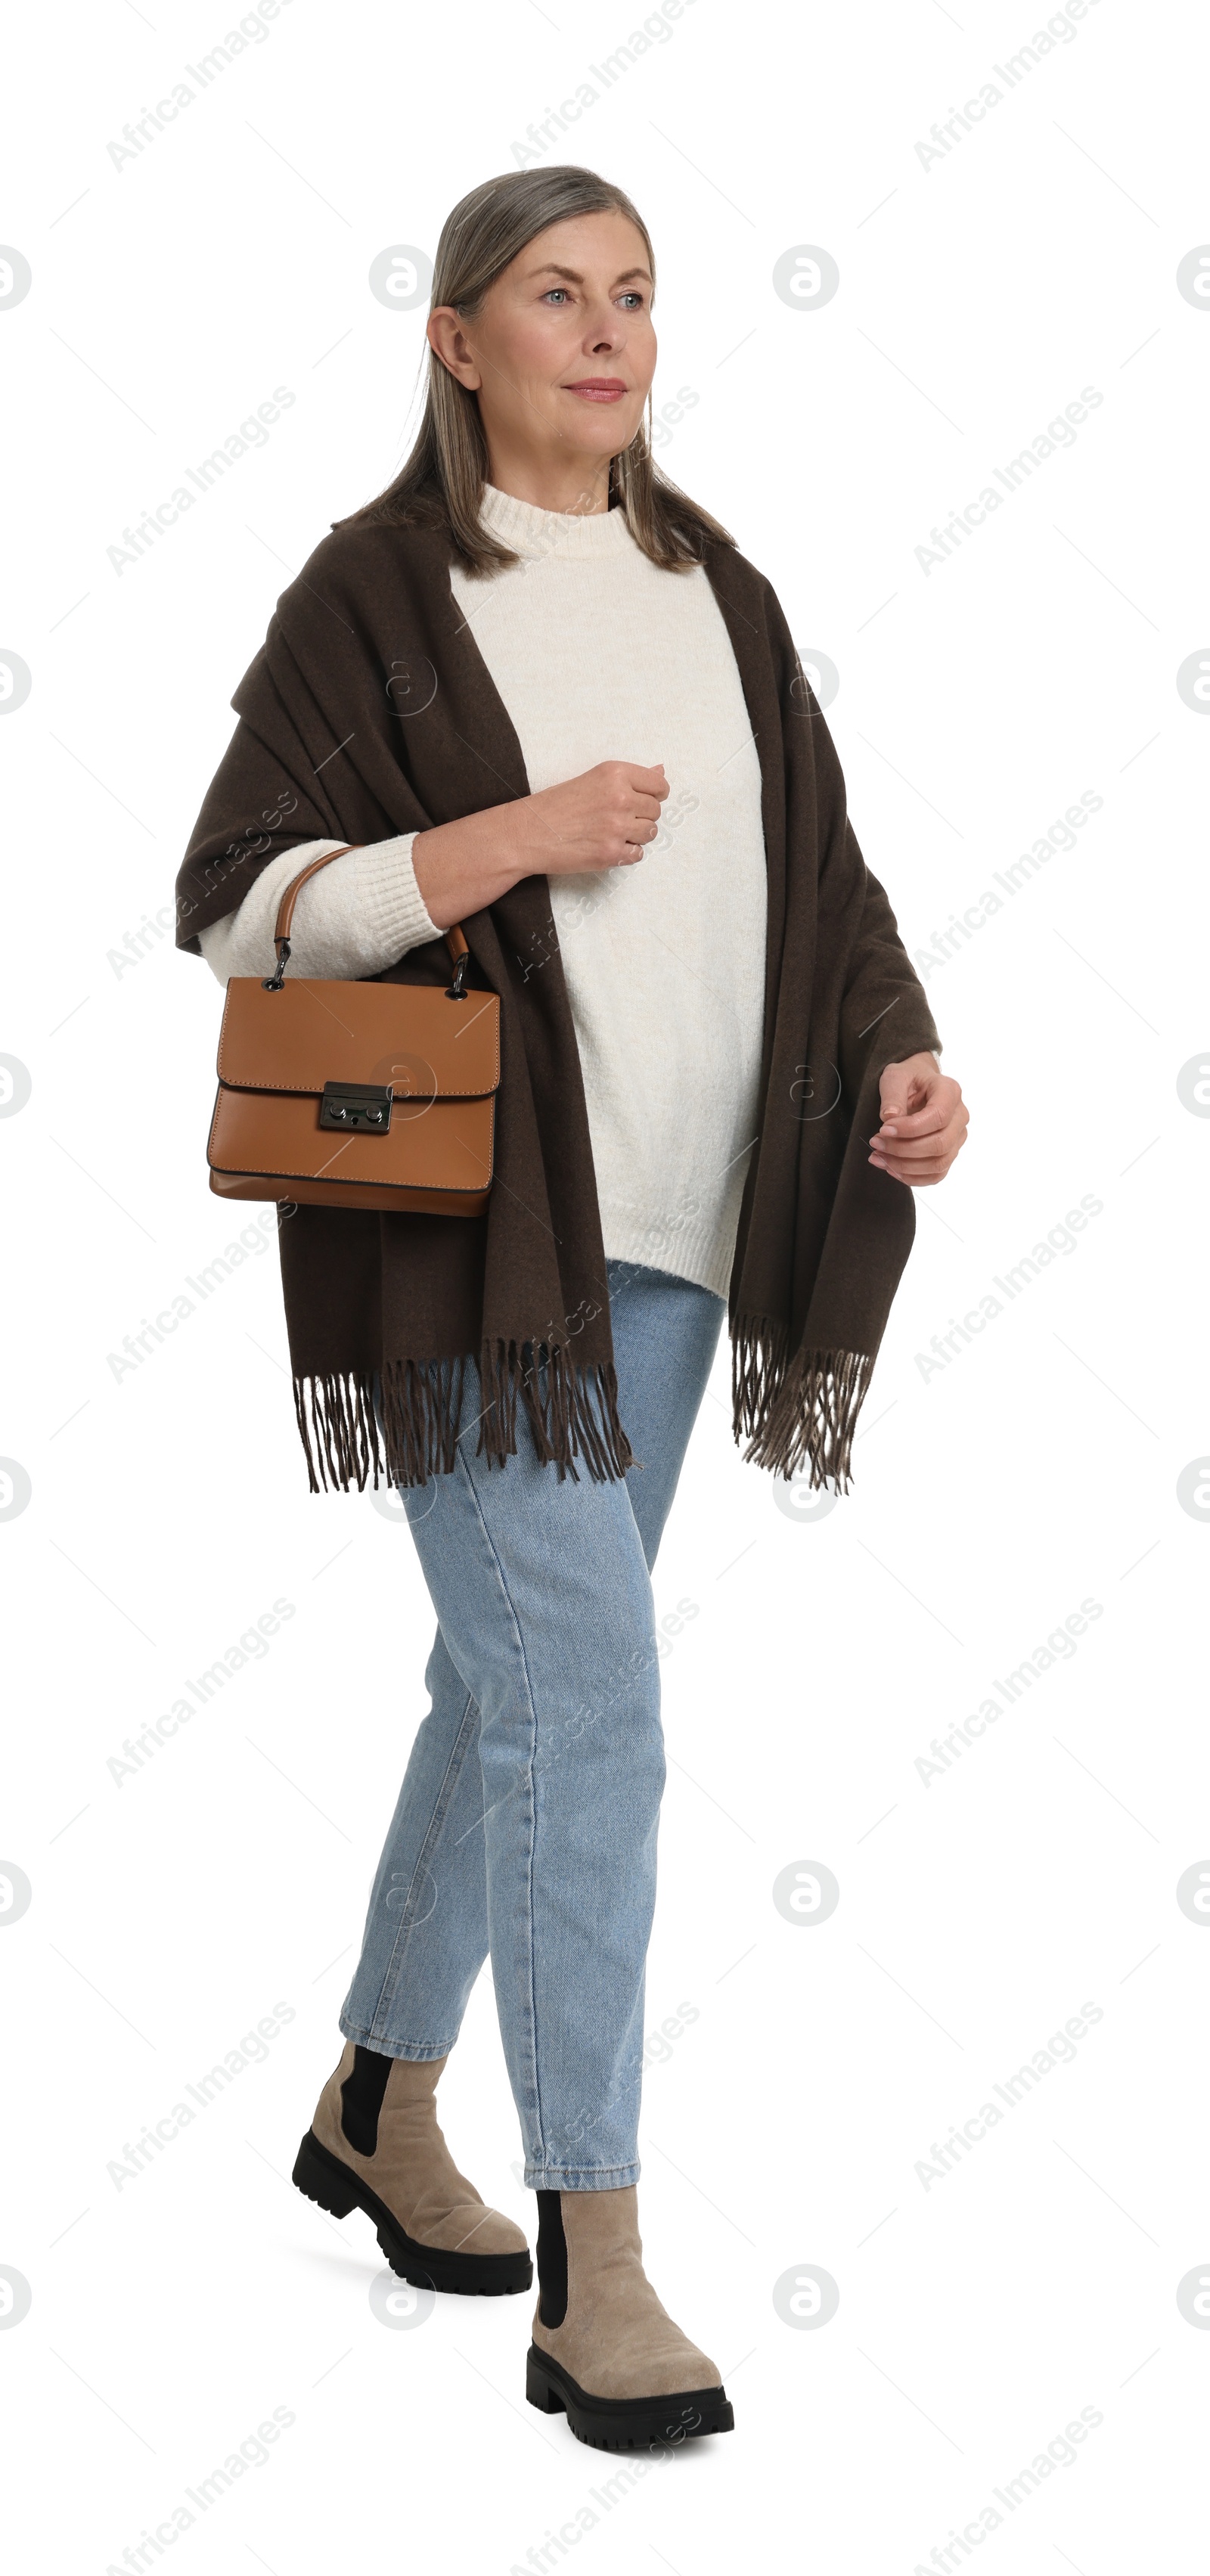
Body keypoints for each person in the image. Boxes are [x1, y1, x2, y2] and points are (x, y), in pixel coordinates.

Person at [175, 163, 968, 2451]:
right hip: (475, 1245)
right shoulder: (380, 592)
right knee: (592, 1712)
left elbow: (824, 867)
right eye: (556, 294)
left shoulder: (713, 584)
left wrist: (898, 1054)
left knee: (508, 1681)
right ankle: (592, 2260)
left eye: (636, 294)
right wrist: (501, 841)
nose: (609, 333)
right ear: (459, 340)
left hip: (690, 1237)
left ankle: (370, 2103)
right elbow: (233, 898)